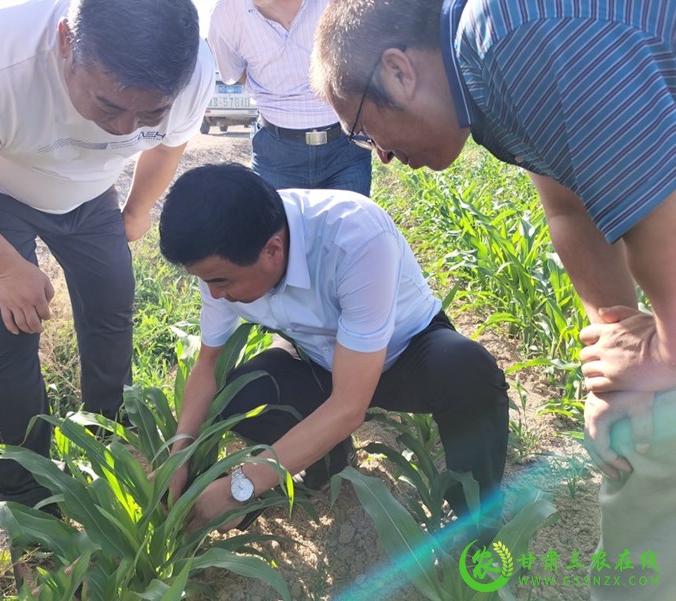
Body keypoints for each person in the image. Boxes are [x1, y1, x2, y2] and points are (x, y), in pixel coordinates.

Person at [311, 0, 676, 598]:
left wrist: (661, 354)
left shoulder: (511, 38)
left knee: (653, 439)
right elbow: (568, 207)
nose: (379, 154)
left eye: (363, 128)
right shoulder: (490, 75)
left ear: (399, 71)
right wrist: (616, 350)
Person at [0, 0, 214, 510]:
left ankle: (108, 441)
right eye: (108, 105)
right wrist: (5, 267)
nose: (124, 129)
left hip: (89, 194)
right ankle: (27, 501)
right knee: (10, 330)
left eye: (148, 112)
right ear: (66, 43)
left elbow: (169, 144)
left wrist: (137, 208)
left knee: (112, 306)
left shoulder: (194, 70)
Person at [158, 163, 509, 539]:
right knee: (241, 393)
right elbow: (209, 364)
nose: (213, 294)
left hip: (406, 353)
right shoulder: (225, 258)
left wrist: (239, 487)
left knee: (467, 371)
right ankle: (325, 462)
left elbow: (348, 406)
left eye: (219, 281)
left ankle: (477, 520)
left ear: (273, 250)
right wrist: (179, 457)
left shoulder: (354, 236)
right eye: (205, 281)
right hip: (316, 358)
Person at [207, 0, 372, 194]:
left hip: (345, 150)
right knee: (276, 224)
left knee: (350, 224)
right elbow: (236, 73)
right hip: (276, 156)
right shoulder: (226, 14)